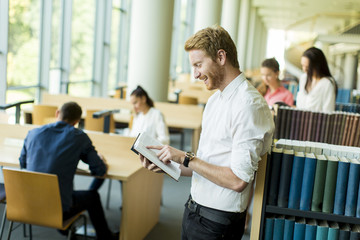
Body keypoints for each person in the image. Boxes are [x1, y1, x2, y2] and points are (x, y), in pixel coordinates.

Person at [139, 25, 274, 239]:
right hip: (194, 209)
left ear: (221, 57)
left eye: (198, 64)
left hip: (217, 223)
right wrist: (167, 164)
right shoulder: (214, 101)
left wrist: (185, 157)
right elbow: (204, 164)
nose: (195, 74)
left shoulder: (249, 105)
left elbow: (238, 180)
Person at [19, 101, 118, 240]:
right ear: (77, 121)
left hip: (27, 204)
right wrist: (99, 159)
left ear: (57, 113)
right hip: (58, 209)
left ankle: (67, 231)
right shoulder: (79, 137)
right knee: (93, 196)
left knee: (61, 188)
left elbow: (23, 163)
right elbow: (99, 170)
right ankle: (106, 237)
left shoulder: (33, 133)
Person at [89, 85, 169, 191]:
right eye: (132, 104)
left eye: (135, 103)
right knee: (107, 164)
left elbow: (165, 139)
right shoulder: (138, 116)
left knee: (120, 169)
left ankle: (93, 194)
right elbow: (132, 136)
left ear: (143, 99)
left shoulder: (156, 114)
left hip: (146, 157)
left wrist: (148, 145)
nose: (134, 107)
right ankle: (91, 193)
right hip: (133, 153)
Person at [296, 46, 337, 112]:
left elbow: (328, 111)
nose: (304, 69)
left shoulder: (327, 83)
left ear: (317, 65)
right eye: (303, 65)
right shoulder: (304, 78)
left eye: (308, 67)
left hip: (317, 121)